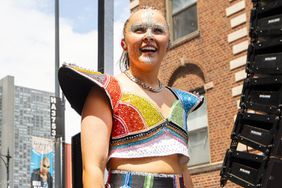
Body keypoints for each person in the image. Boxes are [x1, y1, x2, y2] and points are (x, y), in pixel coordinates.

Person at [59, 6, 203, 188]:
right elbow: (93, 167)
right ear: (124, 44)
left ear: (168, 44)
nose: (149, 36)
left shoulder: (181, 101)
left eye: (158, 30)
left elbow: (183, 168)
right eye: (139, 30)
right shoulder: (106, 90)